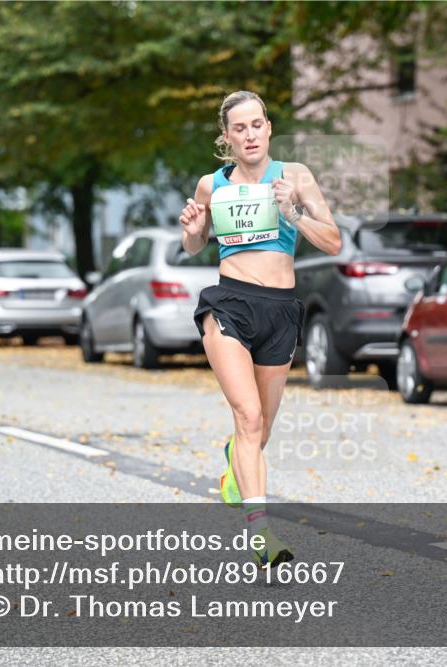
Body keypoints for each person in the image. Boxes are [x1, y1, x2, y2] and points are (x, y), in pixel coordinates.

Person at [178, 90, 341, 568]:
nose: (249, 135)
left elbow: (332, 241)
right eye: (239, 128)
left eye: (256, 125)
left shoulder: (295, 177)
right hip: (229, 305)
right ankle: (261, 534)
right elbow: (194, 244)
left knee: (260, 430)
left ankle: (235, 461)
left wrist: (294, 212)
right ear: (226, 137)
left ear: (268, 127)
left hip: (280, 310)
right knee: (248, 417)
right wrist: (191, 227)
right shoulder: (213, 185)